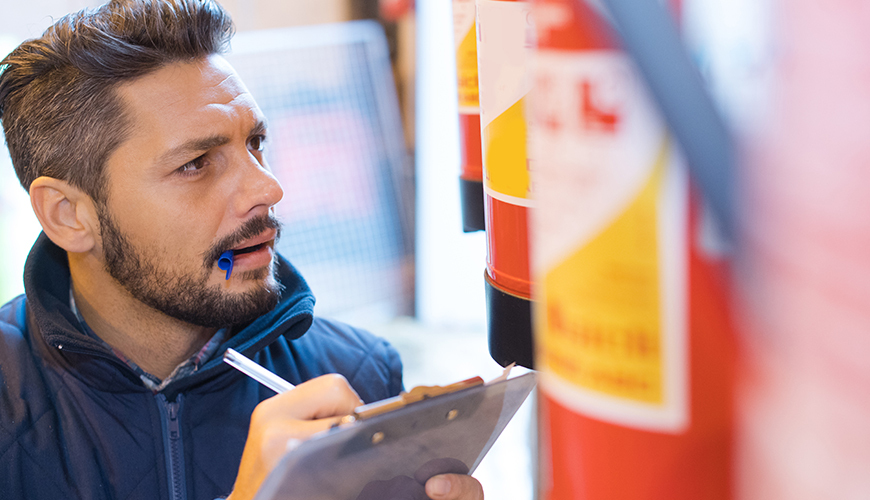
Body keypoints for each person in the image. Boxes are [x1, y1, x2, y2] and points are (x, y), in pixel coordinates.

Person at [0, 1, 485, 499]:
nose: (268, 189)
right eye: (196, 163)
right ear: (67, 214)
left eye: (255, 142)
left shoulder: (357, 374)